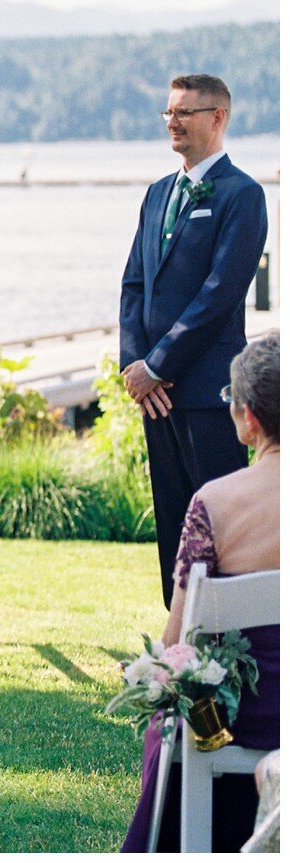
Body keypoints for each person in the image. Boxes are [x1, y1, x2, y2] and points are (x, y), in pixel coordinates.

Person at [121, 331, 279, 852]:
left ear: (247, 417)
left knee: (171, 718)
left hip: (242, 718)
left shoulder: (214, 502)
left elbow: (177, 639)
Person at [119, 74, 269, 607]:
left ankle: (230, 650)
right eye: (169, 113)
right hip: (156, 398)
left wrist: (157, 365)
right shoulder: (159, 193)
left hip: (210, 395)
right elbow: (134, 282)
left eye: (184, 112)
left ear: (217, 117)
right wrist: (135, 367)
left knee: (222, 522)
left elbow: (219, 296)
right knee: (173, 520)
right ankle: (178, 645)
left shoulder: (242, 195)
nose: (173, 123)